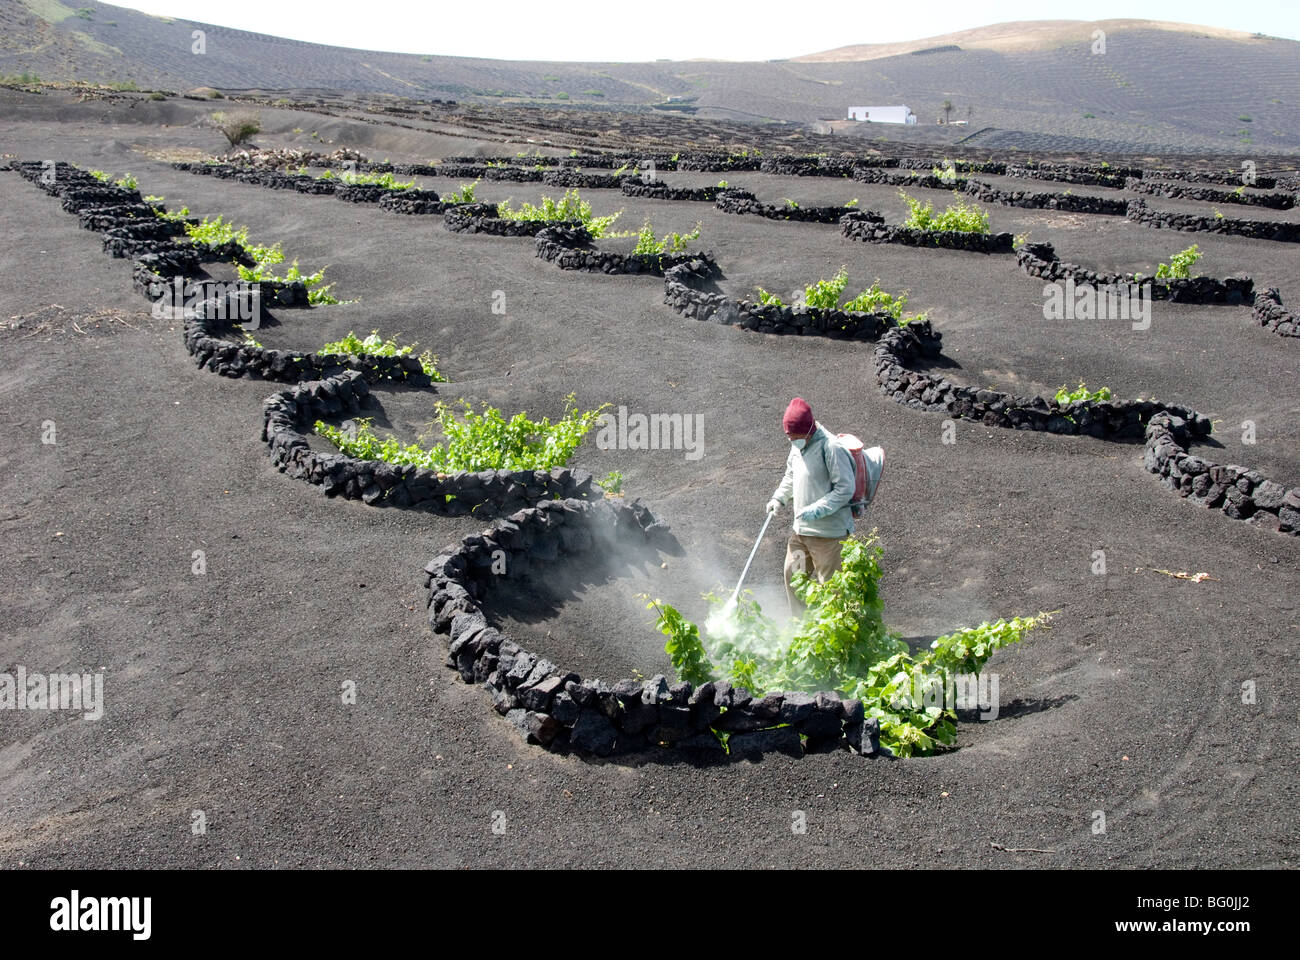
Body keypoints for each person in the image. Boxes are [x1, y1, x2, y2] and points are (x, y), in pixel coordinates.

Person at [766, 397, 856, 616]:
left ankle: (836, 636)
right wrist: (779, 498)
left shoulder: (831, 447)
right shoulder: (797, 446)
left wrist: (817, 509)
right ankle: (801, 629)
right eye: (790, 437)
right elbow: (791, 475)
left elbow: (845, 488)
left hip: (828, 536)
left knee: (832, 588)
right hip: (801, 532)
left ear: (808, 431)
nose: (793, 441)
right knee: (794, 576)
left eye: (796, 437)